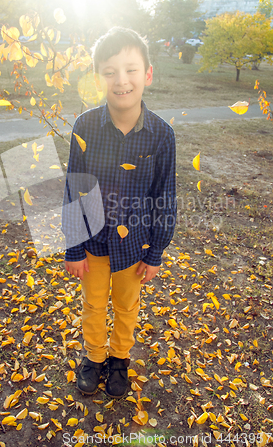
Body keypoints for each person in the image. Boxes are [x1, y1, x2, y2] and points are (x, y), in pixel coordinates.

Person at [62, 27, 177, 398]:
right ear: (99, 78)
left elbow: (164, 196)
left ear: (147, 74)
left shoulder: (161, 134)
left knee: (126, 306)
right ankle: (94, 358)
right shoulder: (85, 127)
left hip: (134, 246)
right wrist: (74, 247)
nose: (121, 80)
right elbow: (74, 190)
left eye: (130, 69)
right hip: (93, 243)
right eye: (109, 71)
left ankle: (119, 360)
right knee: (93, 304)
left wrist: (156, 251)